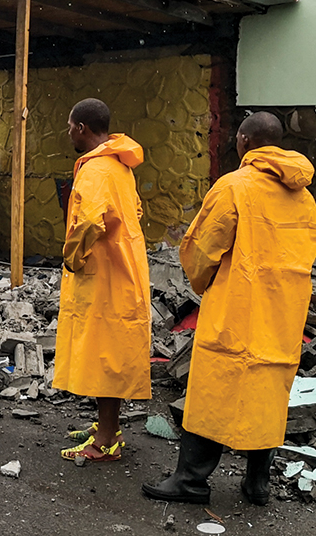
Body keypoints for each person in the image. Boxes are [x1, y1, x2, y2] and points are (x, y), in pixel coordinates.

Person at [143, 112, 316, 506]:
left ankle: (191, 479)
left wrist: (203, 281)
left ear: (243, 141)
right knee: (268, 392)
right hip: (284, 312)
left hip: (237, 307)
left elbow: (201, 251)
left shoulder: (234, 187)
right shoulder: (304, 196)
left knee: (213, 389)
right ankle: (257, 483)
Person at [55, 98, 152, 462]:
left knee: (104, 355)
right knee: (106, 351)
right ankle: (104, 425)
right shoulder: (119, 166)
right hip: (123, 268)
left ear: (82, 128)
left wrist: (73, 256)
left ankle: (107, 440)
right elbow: (136, 211)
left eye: (70, 126)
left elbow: (92, 222)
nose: (68, 133)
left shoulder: (96, 171)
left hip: (105, 276)